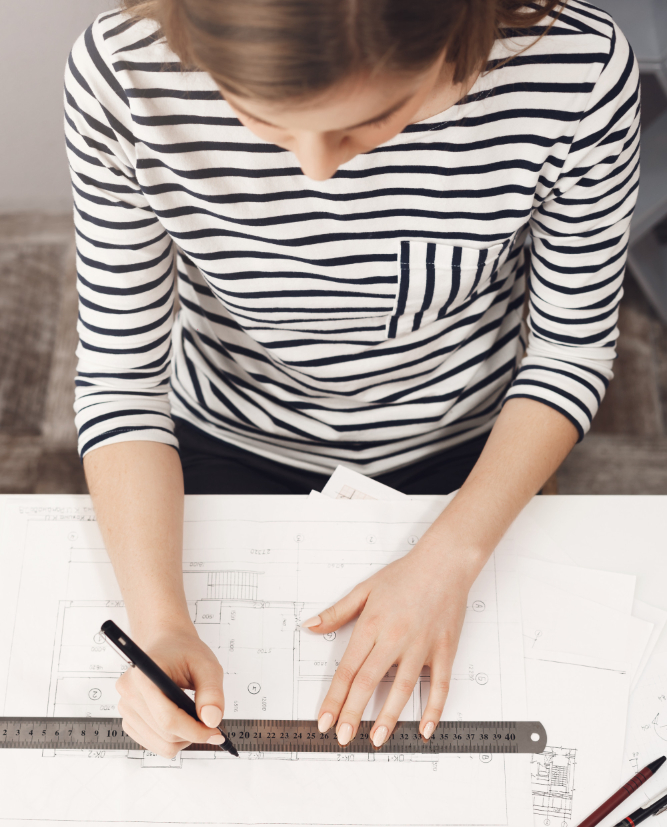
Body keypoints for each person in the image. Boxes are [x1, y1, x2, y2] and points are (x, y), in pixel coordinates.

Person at [66, 0, 639, 757]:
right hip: (223, 425)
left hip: (475, 436)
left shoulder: (578, 69)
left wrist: (451, 555)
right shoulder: (124, 73)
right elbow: (120, 378)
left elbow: (569, 349)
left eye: (373, 122)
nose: (317, 170)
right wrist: (160, 622)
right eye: (262, 123)